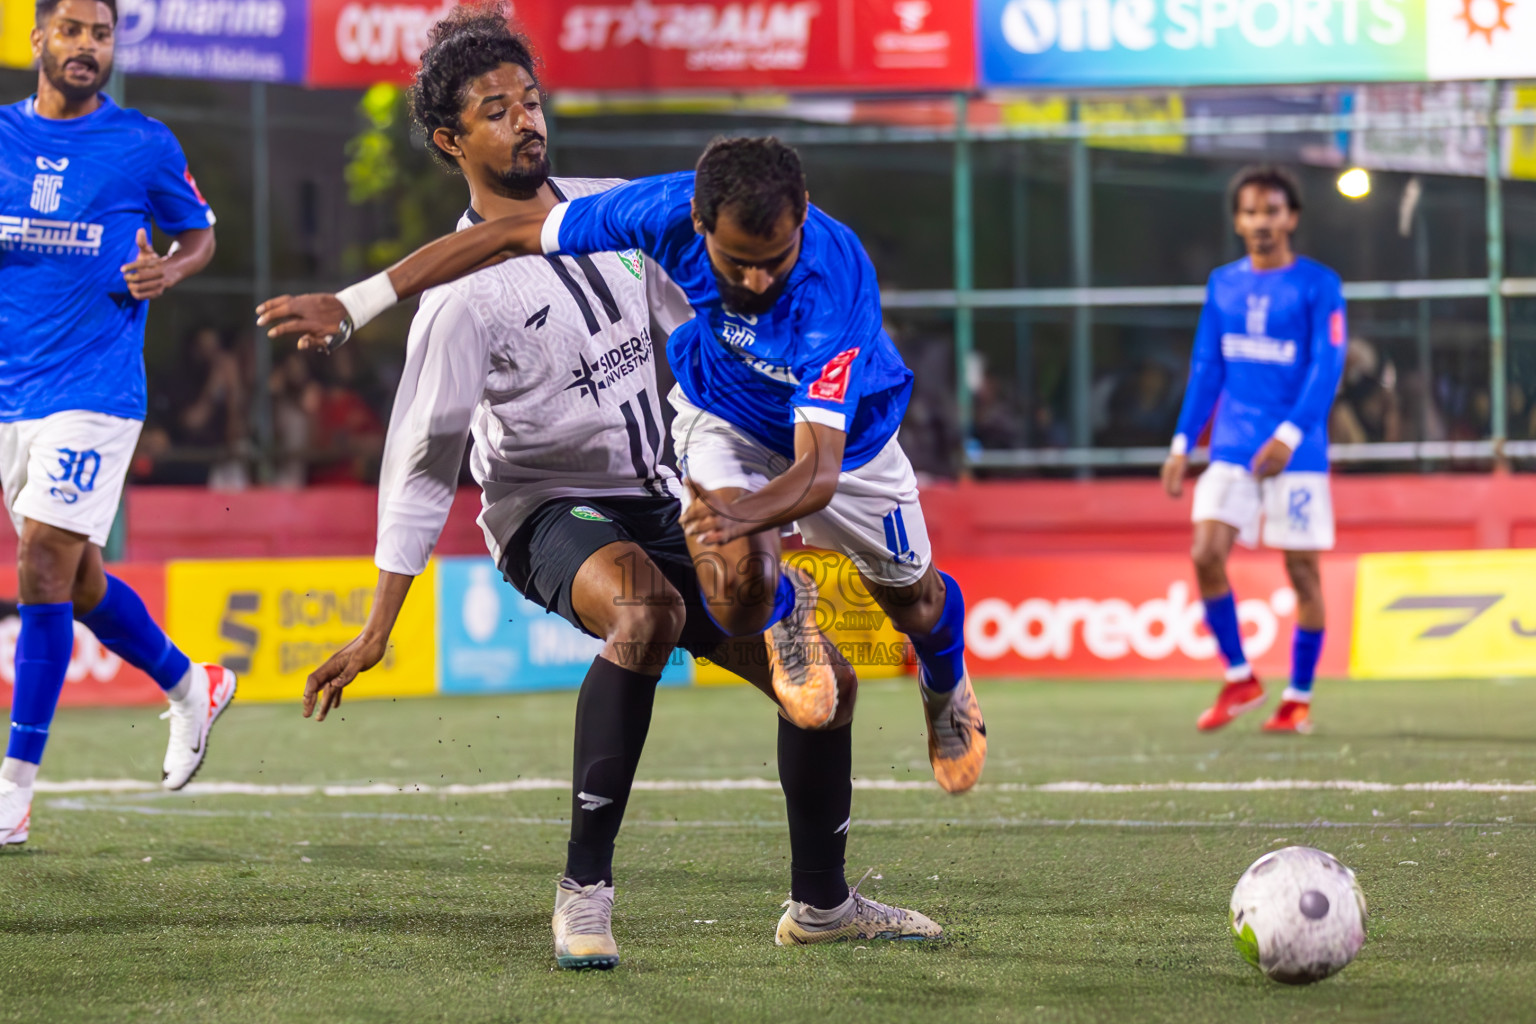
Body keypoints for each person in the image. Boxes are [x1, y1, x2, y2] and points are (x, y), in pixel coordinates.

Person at [292, 6, 939, 969]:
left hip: (661, 487)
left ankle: (823, 905)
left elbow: (714, 336)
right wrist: (380, 624)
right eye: (494, 110)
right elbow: (423, 462)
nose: (525, 121)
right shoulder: (460, 300)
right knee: (643, 613)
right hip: (545, 510)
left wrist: (756, 473)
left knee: (826, 690)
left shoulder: (622, 212)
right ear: (449, 140)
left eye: (531, 100)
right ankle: (584, 893)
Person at [259, 142, 987, 795]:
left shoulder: (834, 286)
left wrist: (740, 514)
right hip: (725, 416)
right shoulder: (659, 209)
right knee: (735, 591)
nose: (761, 281)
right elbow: (507, 236)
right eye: (739, 262)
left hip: (844, 443)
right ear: (697, 227)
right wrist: (358, 303)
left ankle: (946, 686)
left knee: (914, 600)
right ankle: (783, 606)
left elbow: (817, 472)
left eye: (777, 258)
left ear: (801, 218)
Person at [0, 0, 236, 846]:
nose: (86, 47)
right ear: (37, 40)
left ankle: (14, 788)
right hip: (13, 395)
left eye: (100, 35)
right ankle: (189, 682)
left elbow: (201, 235)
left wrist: (168, 271)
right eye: (71, 32)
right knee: (78, 575)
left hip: (97, 387)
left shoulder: (143, 142)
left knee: (40, 562)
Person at [1161, 165, 1346, 735]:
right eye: (1249, 211)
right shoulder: (1223, 284)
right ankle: (1240, 676)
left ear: (1291, 217)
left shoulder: (1319, 284)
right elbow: (1206, 368)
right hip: (1234, 448)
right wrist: (1181, 443)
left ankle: (1298, 697)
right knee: (1205, 553)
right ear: (1237, 220)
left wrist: (1289, 436)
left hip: (1297, 452)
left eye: (1271, 210)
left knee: (1303, 574)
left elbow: (1328, 363)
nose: (1260, 221)